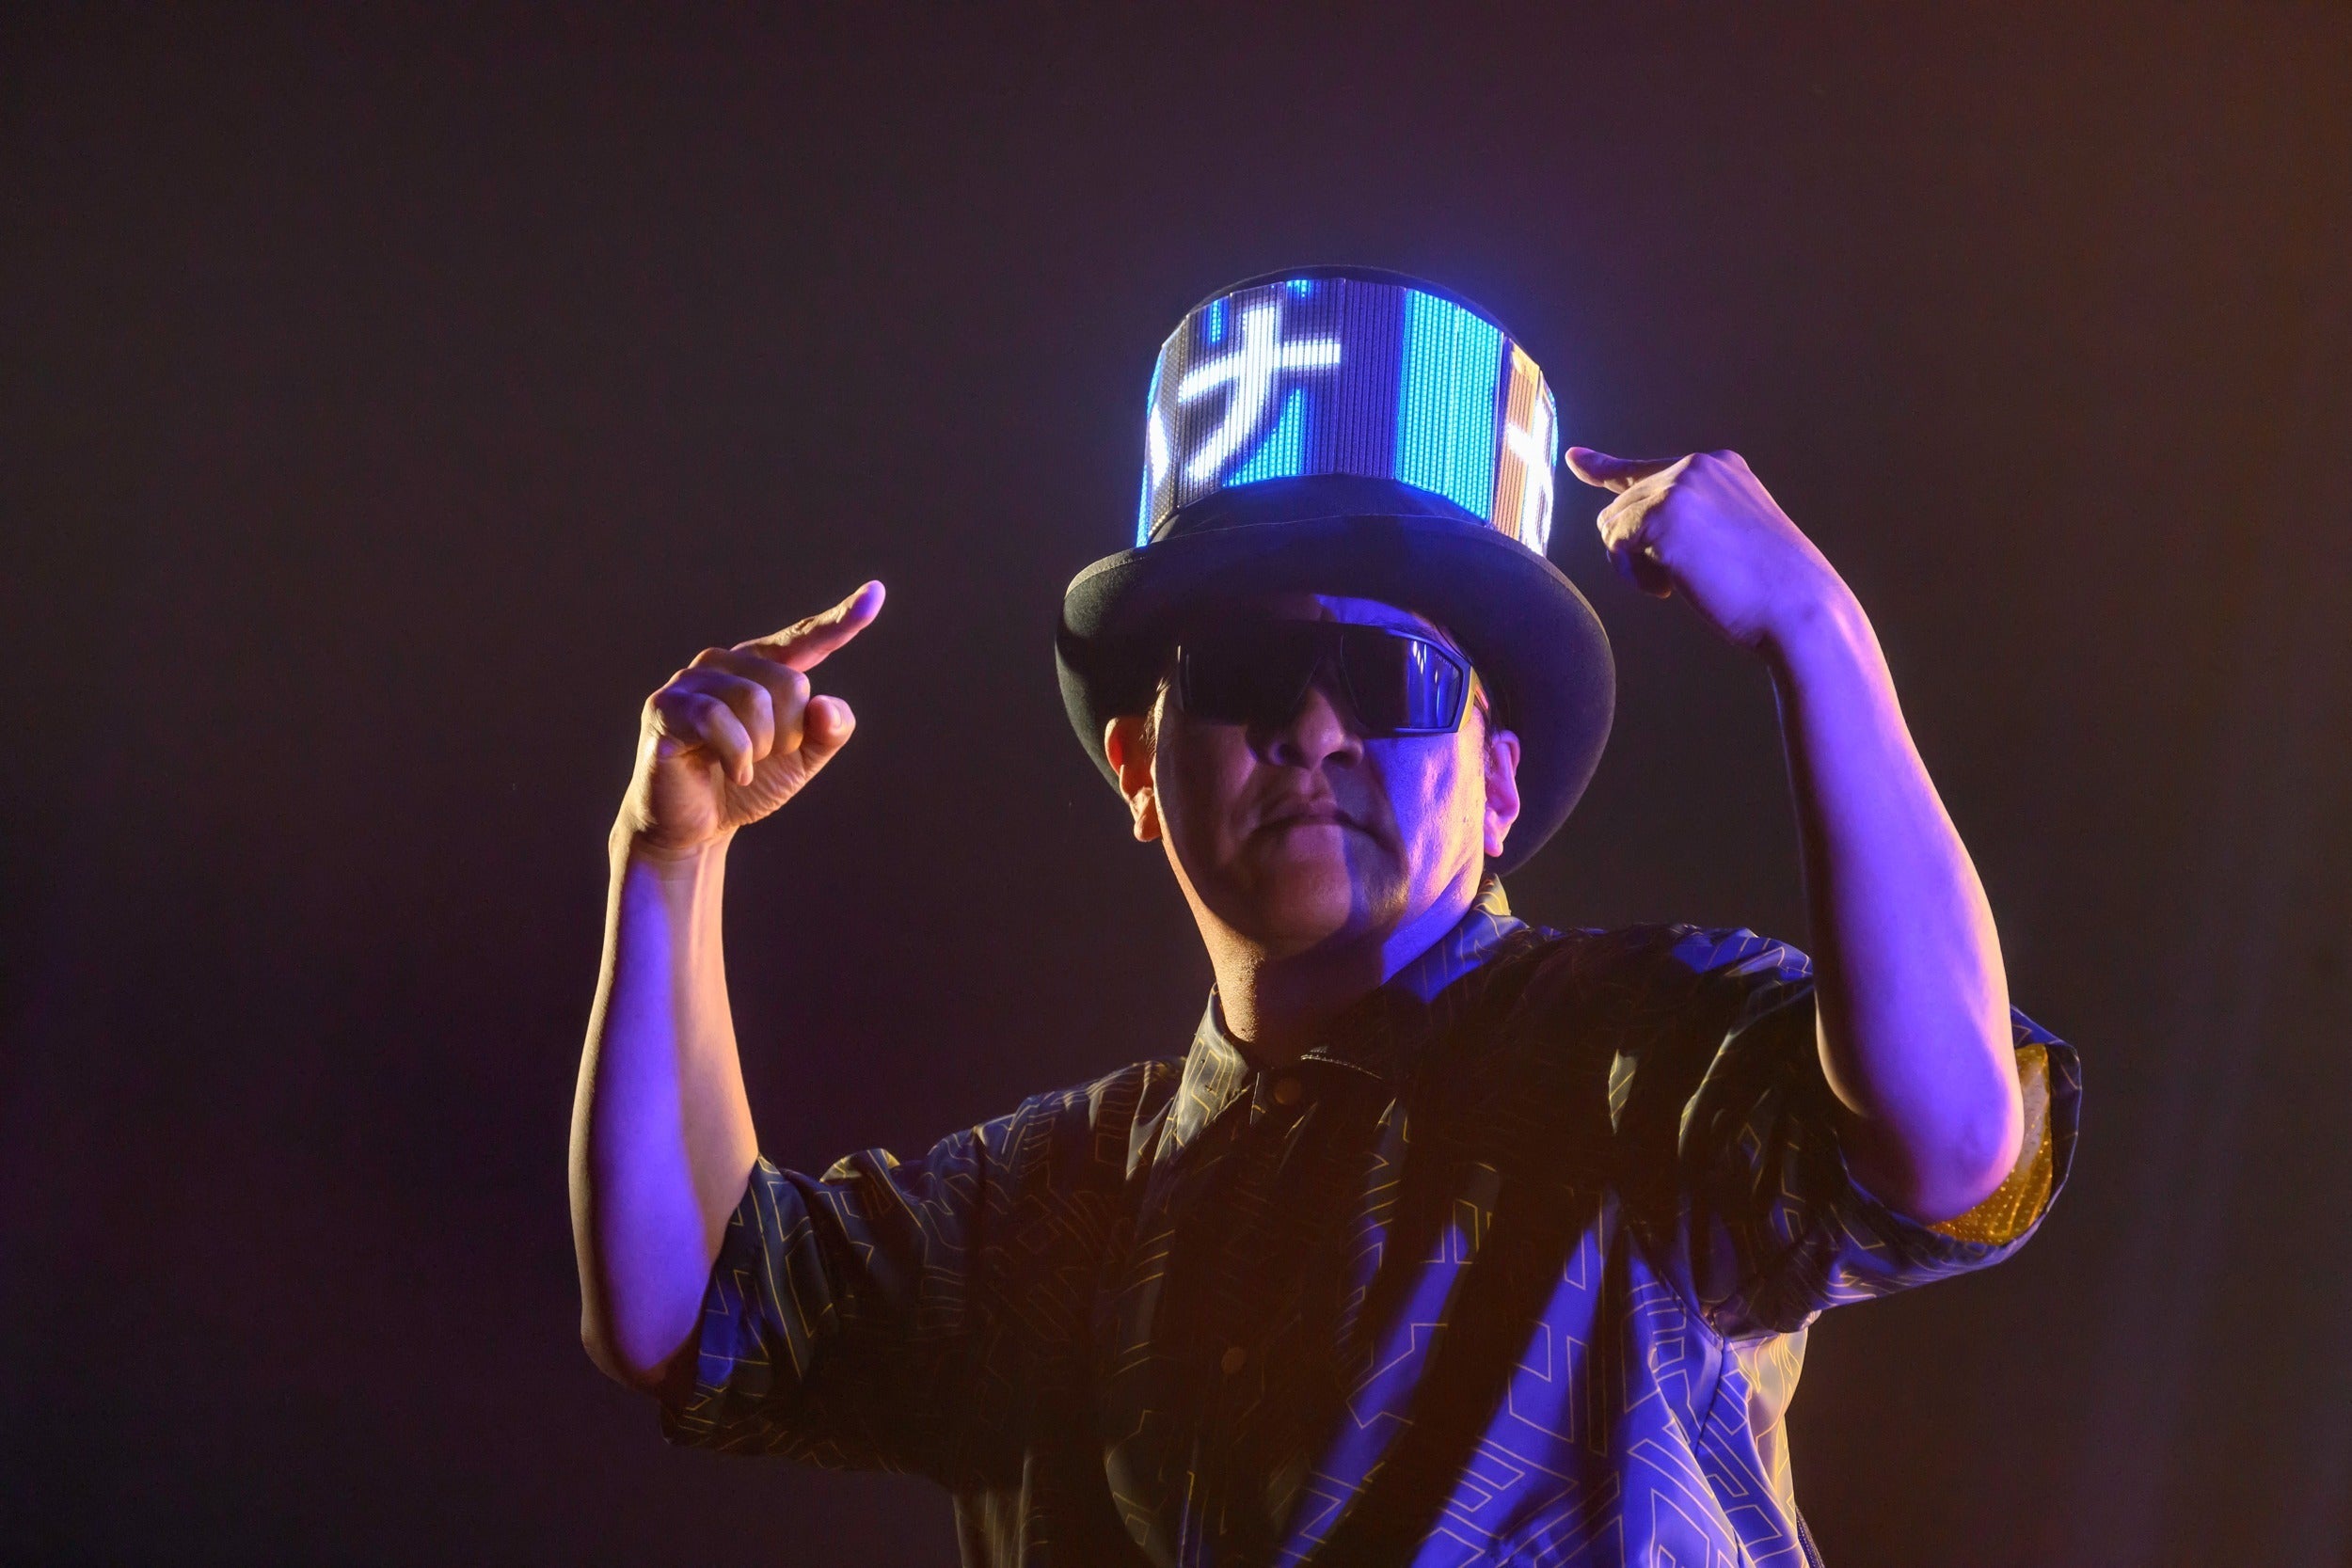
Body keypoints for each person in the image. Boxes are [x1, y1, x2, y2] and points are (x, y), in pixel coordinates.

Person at [568, 268, 2076, 1567]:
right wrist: (669, 857)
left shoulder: (1644, 1061)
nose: (1312, 729)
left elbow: (1952, 1139)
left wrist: (1819, 634)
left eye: (1388, 682)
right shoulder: (1051, 1205)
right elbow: (683, 1311)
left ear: (1497, 782)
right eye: (1243, 678)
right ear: (1139, 768)